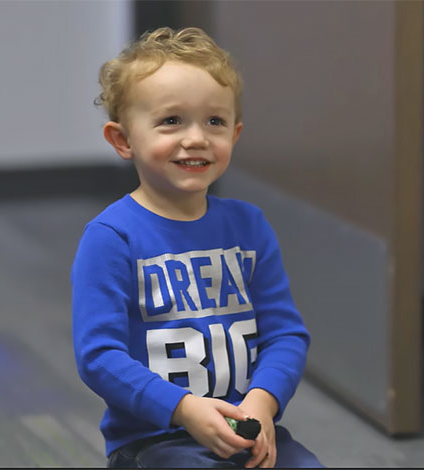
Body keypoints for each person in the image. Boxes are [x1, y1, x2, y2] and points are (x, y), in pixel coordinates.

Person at [71, 26, 321, 468]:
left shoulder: (249, 225)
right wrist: (183, 409)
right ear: (123, 140)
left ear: (235, 135)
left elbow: (284, 333)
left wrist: (262, 402)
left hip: (244, 430)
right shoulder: (111, 237)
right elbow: (99, 357)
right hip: (154, 440)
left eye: (214, 122)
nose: (197, 138)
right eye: (172, 121)